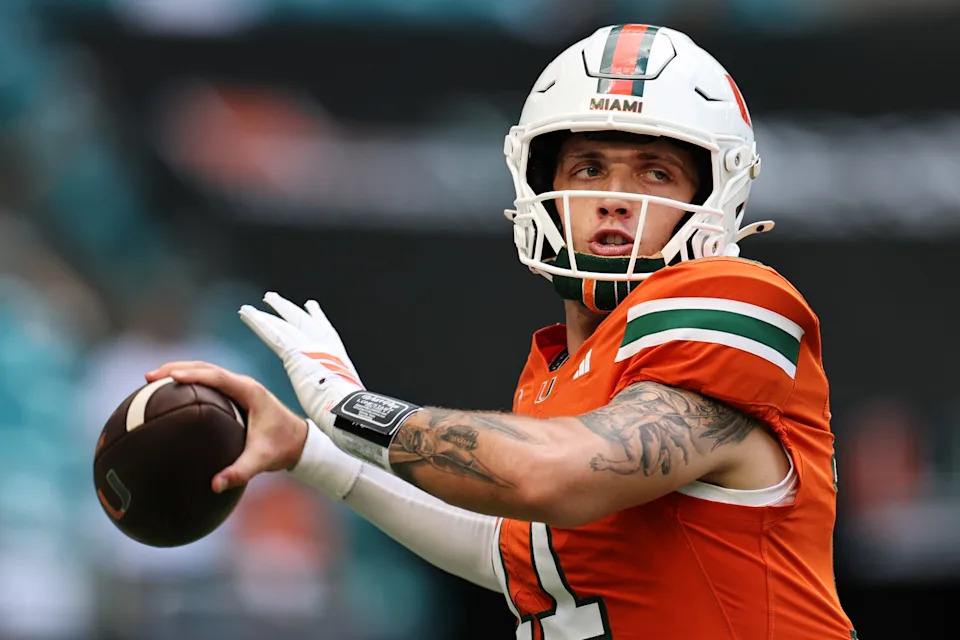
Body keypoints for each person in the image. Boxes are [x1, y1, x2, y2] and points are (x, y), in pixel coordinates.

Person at [148, 24, 856, 639]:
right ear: (538, 180)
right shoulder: (562, 374)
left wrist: (346, 409)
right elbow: (521, 553)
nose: (615, 195)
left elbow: (550, 474)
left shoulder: (732, 298)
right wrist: (310, 450)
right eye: (588, 166)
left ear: (714, 194)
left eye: (656, 171)